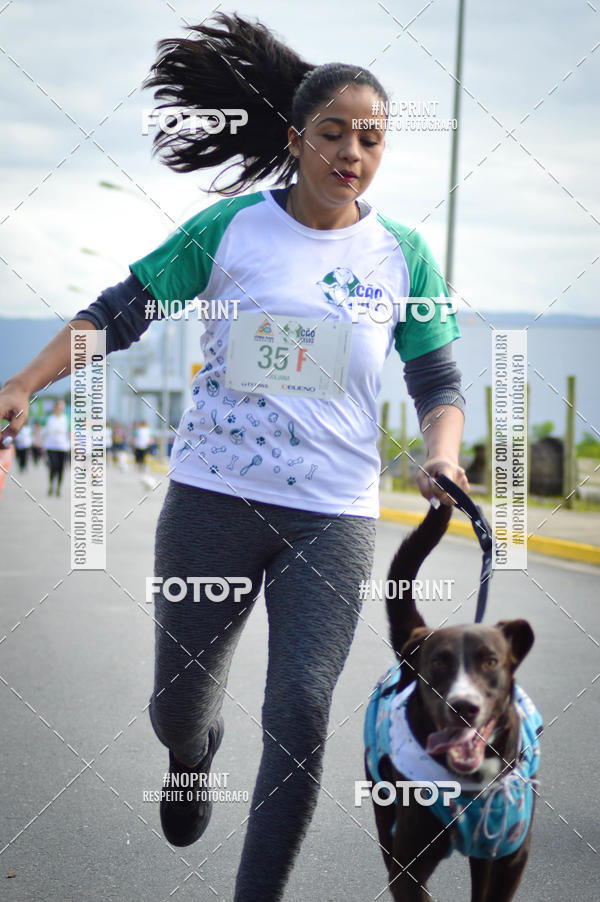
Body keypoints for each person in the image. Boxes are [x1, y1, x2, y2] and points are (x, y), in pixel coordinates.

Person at [0, 13, 469, 900]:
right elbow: (116, 312)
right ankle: (191, 751)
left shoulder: (402, 254)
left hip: (332, 517)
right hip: (213, 499)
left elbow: (437, 378)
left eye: (371, 137)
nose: (353, 152)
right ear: (296, 140)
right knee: (177, 704)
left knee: (299, 708)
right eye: (333, 133)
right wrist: (26, 383)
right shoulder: (232, 232)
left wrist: (441, 455)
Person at [42, 400, 70, 496]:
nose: (60, 409)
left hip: (63, 447)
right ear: (55, 407)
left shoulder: (66, 419)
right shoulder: (49, 419)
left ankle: (58, 488)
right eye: (58, 407)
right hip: (51, 446)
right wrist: (42, 444)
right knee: (53, 466)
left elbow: (70, 433)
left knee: (61, 468)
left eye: (62, 407)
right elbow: (43, 432)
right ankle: (51, 486)